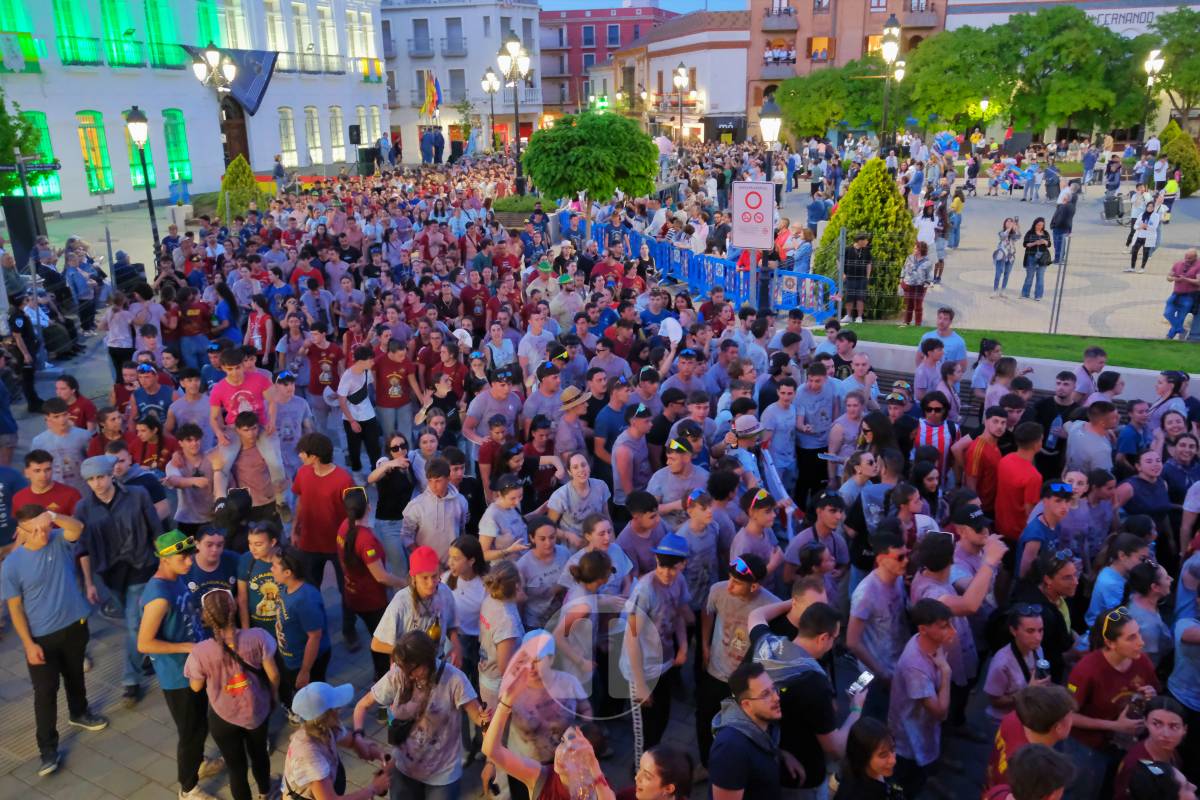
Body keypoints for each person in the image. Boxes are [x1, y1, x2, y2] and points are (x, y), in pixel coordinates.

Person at [1, 505, 105, 777]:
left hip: (74, 625)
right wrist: (28, 644)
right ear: (21, 532)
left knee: (75, 677)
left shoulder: (59, 541)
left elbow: (78, 528)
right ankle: (47, 749)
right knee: (45, 692)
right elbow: (15, 609)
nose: (42, 533)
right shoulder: (12, 565)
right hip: (41, 638)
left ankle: (80, 713)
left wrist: (54, 517)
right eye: (34, 530)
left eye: (45, 527)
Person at [351, 631, 489, 799]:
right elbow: (362, 705)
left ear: (427, 661)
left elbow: (479, 718)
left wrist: (487, 726)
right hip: (404, 768)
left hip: (442, 776)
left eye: (412, 670)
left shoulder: (454, 680)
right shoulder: (398, 675)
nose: (408, 676)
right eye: (404, 669)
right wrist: (361, 734)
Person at [75, 454, 161, 708]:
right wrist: (89, 582)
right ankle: (146, 652)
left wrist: (165, 564)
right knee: (134, 621)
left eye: (100, 477)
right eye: (91, 479)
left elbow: (156, 530)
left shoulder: (137, 495)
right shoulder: (83, 508)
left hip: (141, 565)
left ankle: (130, 681)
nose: (97, 483)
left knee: (134, 624)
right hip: (110, 572)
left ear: (111, 474)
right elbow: (83, 549)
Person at [136, 530, 215, 800]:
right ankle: (188, 788)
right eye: (184, 558)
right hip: (178, 676)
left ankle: (200, 762)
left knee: (199, 725)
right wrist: (187, 647)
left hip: (195, 667)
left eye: (190, 556)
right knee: (190, 731)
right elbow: (144, 643)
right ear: (165, 559)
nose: (190, 563)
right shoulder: (158, 595)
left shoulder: (176, 577)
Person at [184, 587, 278, 800]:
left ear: (205, 617)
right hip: (256, 710)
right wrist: (272, 696)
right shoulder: (258, 637)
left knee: (236, 768)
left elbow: (196, 687)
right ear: (234, 607)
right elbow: (273, 675)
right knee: (260, 756)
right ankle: (266, 793)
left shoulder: (200, 652)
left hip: (223, 717)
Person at [481, 655, 615, 800]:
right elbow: (491, 750)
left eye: (573, 751)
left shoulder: (598, 791)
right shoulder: (542, 777)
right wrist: (506, 702)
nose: (561, 751)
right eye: (563, 741)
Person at [622, 532, 691, 753]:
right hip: (644, 668)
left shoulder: (679, 581)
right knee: (645, 733)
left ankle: (654, 764)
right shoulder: (644, 590)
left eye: (673, 567)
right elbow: (631, 637)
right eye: (662, 565)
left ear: (683, 565)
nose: (666, 572)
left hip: (665, 662)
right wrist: (640, 684)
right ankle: (640, 772)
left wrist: (683, 645)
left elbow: (679, 614)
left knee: (662, 718)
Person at [291, 432, 357, 649]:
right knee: (310, 590)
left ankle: (349, 630)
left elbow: (353, 513)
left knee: (346, 590)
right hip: (309, 544)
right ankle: (315, 631)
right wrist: (295, 529)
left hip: (338, 545)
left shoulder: (344, 479)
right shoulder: (302, 473)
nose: (300, 456)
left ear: (315, 457)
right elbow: (301, 501)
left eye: (303, 453)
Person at [282, 681, 390, 800]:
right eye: (336, 708)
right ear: (325, 717)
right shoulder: (309, 756)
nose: (340, 709)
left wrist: (381, 755)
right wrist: (373, 789)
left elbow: (352, 742)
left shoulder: (326, 728)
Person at [709, 661, 799, 800]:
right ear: (746, 705)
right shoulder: (730, 750)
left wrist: (782, 755)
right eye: (765, 694)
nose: (776, 697)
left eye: (774, 689)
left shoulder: (762, 720)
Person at [270, 546, 332, 716]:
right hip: (291, 659)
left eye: (274, 566)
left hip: (306, 663)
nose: (271, 569)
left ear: (288, 572)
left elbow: (315, 637)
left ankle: (320, 726)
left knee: (313, 700)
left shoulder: (305, 600)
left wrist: (305, 671)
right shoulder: (286, 588)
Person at [985, 684, 1076, 790]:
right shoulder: (1033, 769)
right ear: (1059, 727)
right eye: (1071, 715)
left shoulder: (1015, 717)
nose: (1072, 720)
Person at [1114, 696, 1189, 798]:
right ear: (1145, 722)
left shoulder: (1173, 753)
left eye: (1174, 726)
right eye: (1157, 724)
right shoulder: (1135, 766)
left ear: (1184, 729)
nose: (1165, 734)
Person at [832, 717, 902, 799]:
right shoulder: (858, 795)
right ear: (862, 756)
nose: (893, 761)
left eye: (892, 749)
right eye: (883, 755)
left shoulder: (880, 770)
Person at [1020, 218, 1052, 301]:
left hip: (1043, 258)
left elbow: (1049, 245)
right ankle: (1025, 294)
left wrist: (1045, 242)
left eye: (1042, 225)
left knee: (1040, 277)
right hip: (1031, 256)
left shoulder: (1046, 233)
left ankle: (1038, 296)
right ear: (1035, 224)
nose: (1040, 226)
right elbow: (1025, 244)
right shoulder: (1030, 233)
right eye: (1038, 225)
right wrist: (1035, 243)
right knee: (1029, 277)